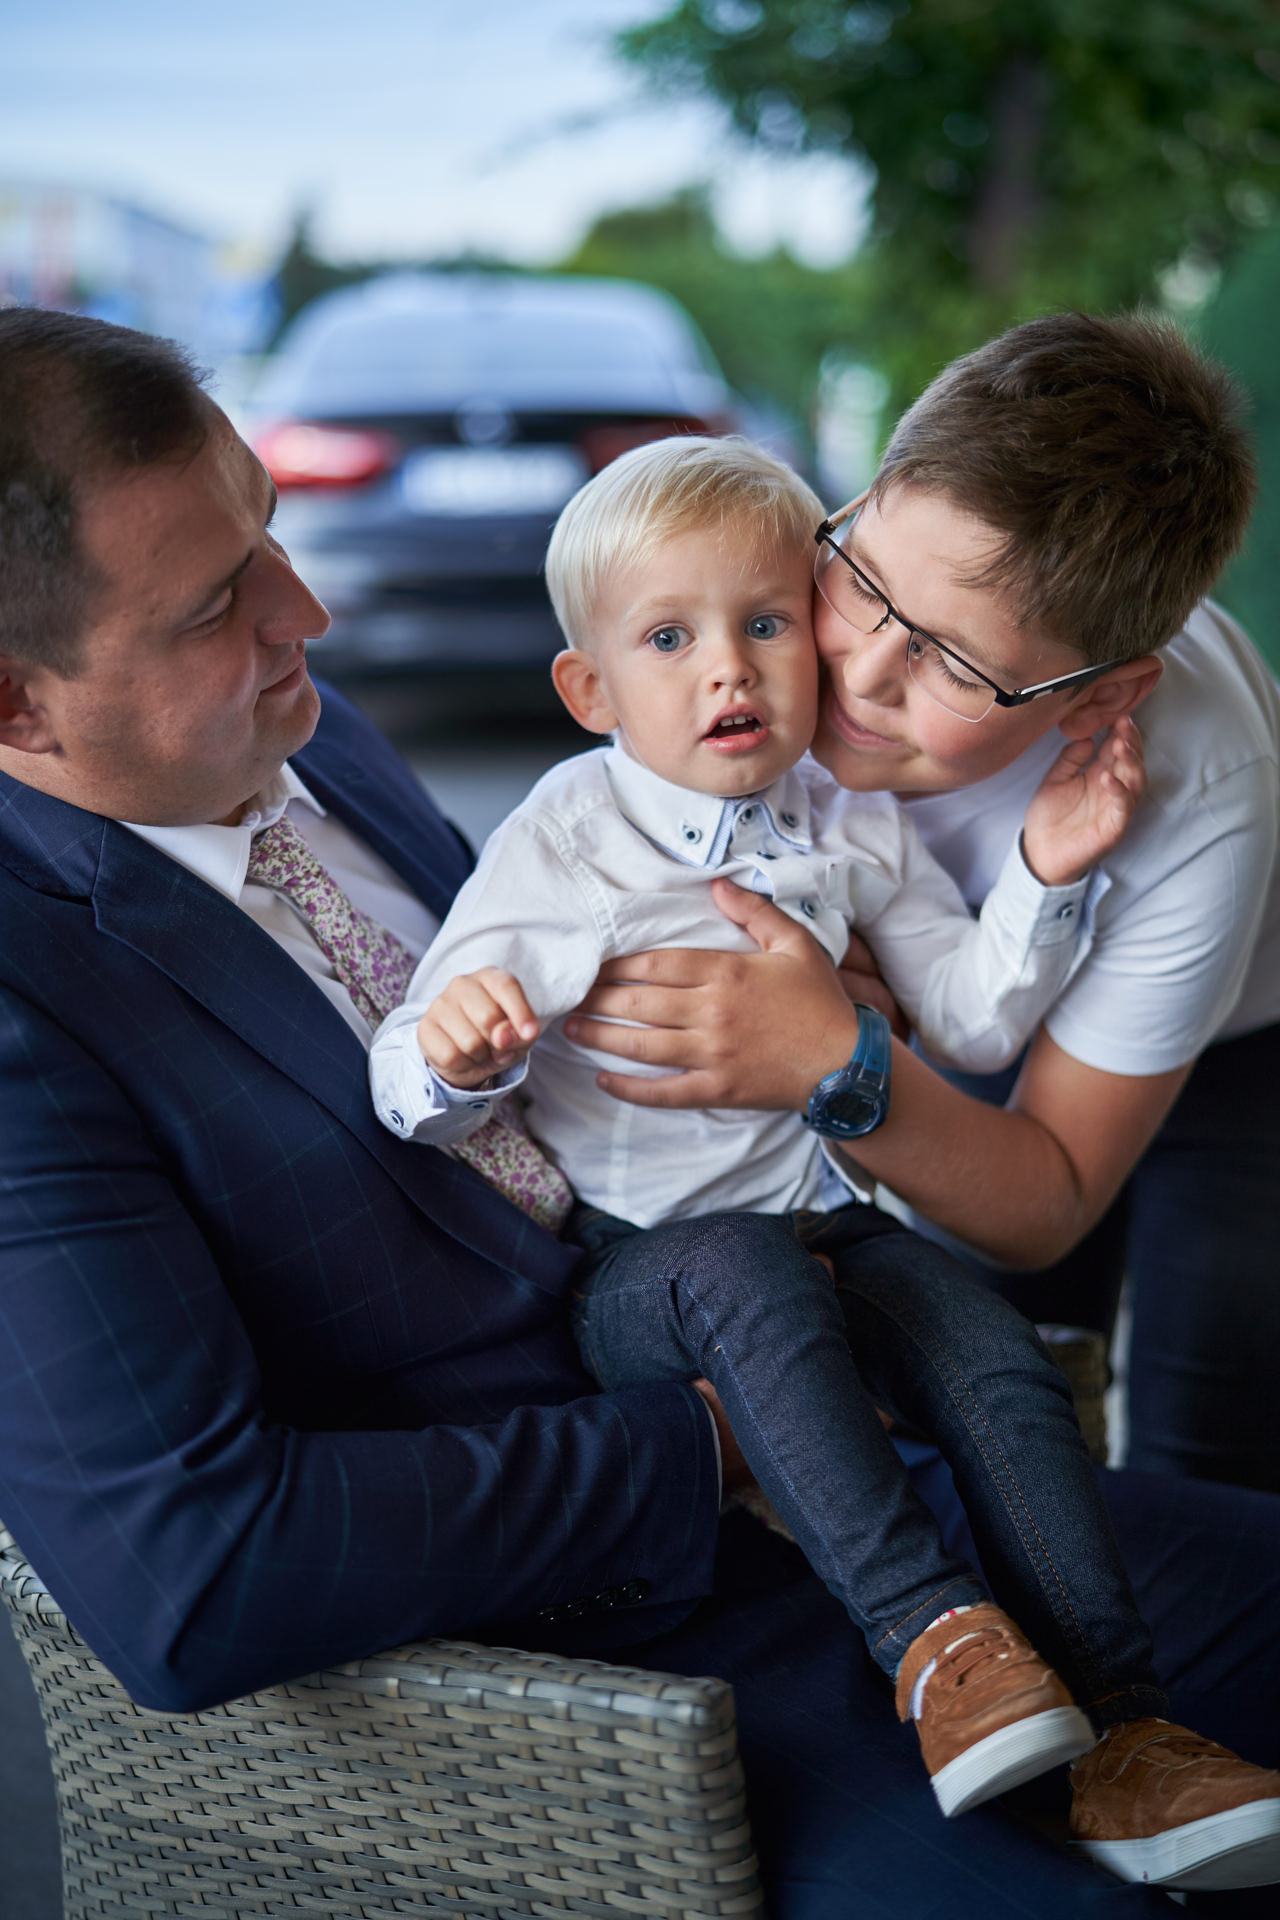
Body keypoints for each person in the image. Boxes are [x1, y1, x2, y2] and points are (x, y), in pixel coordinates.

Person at [0, 307, 1278, 1919]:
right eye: (214, 604)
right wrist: (727, 1432)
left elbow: (949, 1067)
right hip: (609, 1624)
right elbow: (197, 1580)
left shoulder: (311, 738)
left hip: (849, 1419)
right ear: (16, 706)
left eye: (270, 531)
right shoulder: (25, 1013)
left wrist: (848, 1048)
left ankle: (1121, 1723)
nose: (306, 610)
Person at [365, 436, 1280, 1886]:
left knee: (991, 1353)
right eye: (669, 640)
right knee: (749, 1280)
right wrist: (454, 1052)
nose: (728, 670)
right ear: (589, 691)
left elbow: (970, 1017)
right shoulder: (571, 841)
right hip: (644, 1263)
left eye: (763, 623)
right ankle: (937, 1645)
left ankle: (1123, 1731)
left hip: (823, 1229)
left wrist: (1044, 871)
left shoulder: (848, 818)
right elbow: (409, 1080)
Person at [565, 312, 1280, 1500]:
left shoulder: (1201, 784)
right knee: (989, 1397)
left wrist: (829, 1060)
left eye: (954, 664)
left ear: (1095, 697)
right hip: (954, 1005)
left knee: (1205, 1442)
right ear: (866, 499)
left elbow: (1046, 1195)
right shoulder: (773, 594)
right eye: (862, 580)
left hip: (1233, 1048)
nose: (856, 677)